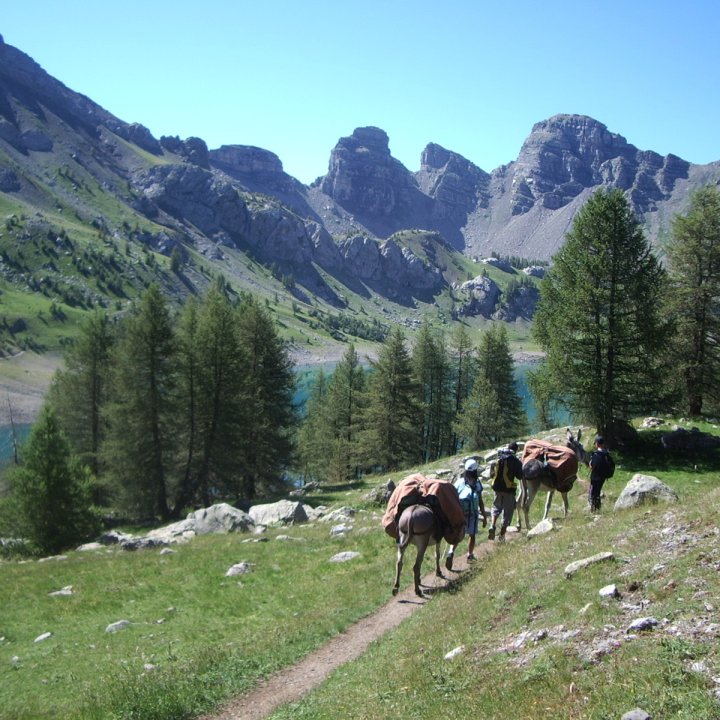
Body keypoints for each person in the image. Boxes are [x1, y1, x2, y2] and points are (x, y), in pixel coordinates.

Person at [445, 458, 486, 570]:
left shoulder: (459, 483)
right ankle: (470, 555)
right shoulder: (477, 484)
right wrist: (484, 515)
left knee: (458, 534)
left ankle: (451, 552)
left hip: (460, 513)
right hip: (473, 513)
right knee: (471, 535)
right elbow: (480, 501)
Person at [488, 441, 523, 542]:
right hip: (509, 490)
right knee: (507, 514)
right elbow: (520, 476)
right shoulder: (515, 460)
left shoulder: (499, 457)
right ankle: (502, 536)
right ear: (516, 450)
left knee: (495, 507)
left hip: (497, 488)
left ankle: (492, 525)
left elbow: (492, 474)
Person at [588, 435, 614, 512]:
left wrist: (590, 464)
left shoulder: (596, 454)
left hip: (595, 477)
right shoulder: (606, 454)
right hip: (603, 477)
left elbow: (592, 466)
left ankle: (594, 509)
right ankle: (598, 507)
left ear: (597, 444)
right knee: (598, 492)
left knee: (592, 493)